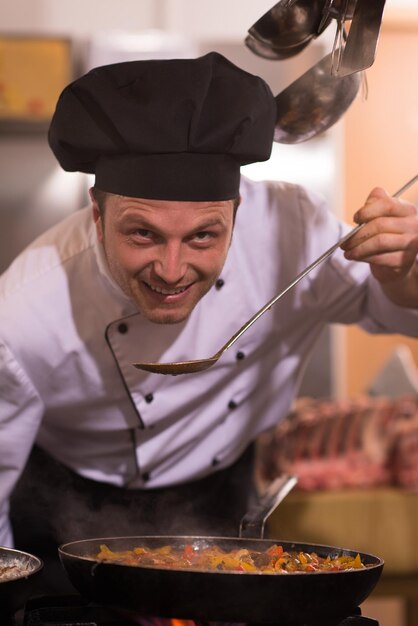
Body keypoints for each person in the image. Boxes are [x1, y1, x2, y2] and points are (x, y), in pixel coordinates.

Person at [0, 52, 417, 595]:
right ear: (97, 216)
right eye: (142, 234)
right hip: (65, 509)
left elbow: (392, 308)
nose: (171, 272)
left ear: (239, 213)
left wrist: (404, 270)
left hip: (222, 492)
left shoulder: (294, 233)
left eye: (202, 236)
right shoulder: (23, 313)